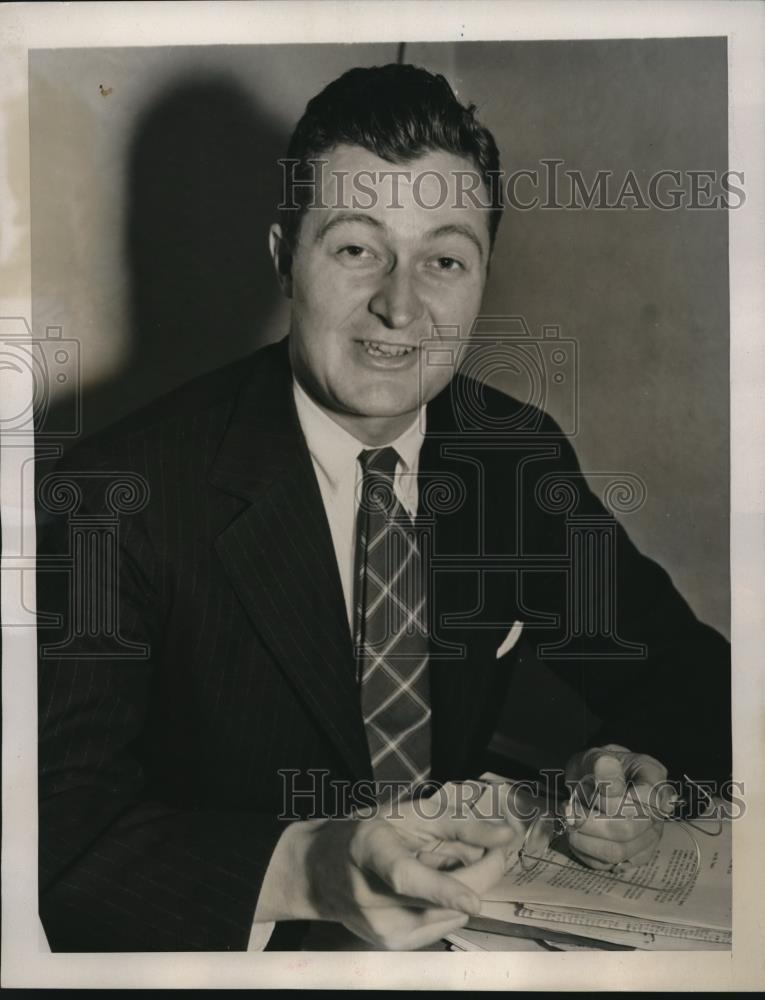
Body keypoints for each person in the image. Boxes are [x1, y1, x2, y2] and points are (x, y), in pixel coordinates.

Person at [36, 63, 731, 953]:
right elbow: (51, 840)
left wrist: (638, 775)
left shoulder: (509, 454)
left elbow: (691, 681)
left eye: (443, 259)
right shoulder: (115, 495)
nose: (400, 307)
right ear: (285, 255)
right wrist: (308, 870)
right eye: (357, 247)